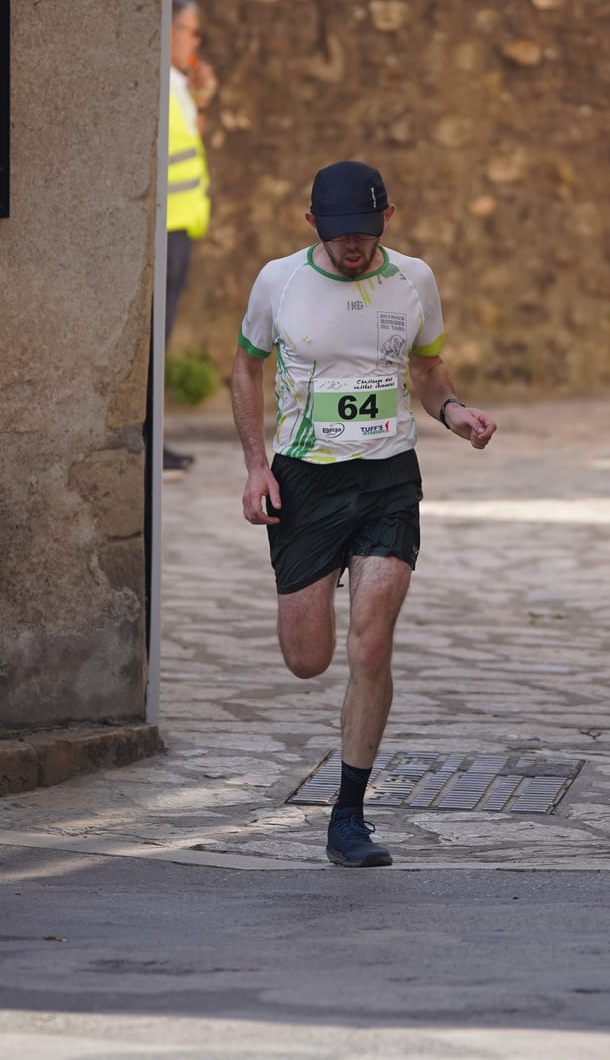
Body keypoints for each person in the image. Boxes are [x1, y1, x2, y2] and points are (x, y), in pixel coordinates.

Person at [230, 160, 497, 867]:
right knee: (308, 659)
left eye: (368, 233)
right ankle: (314, 582)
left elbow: (428, 369)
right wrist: (258, 463)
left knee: (371, 645)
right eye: (344, 233)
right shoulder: (278, 281)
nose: (356, 247)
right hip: (306, 479)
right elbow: (244, 367)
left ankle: (348, 815)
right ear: (312, 222)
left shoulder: (413, 279)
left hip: (387, 476)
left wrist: (454, 411)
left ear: (390, 220)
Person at [164, 0, 217, 472]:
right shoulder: (158, 83)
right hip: (164, 227)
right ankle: (147, 439)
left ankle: (152, 437)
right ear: (171, 30)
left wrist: (201, 102)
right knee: (155, 338)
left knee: (162, 338)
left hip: (180, 223)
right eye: (191, 31)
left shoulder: (177, 85)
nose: (195, 42)